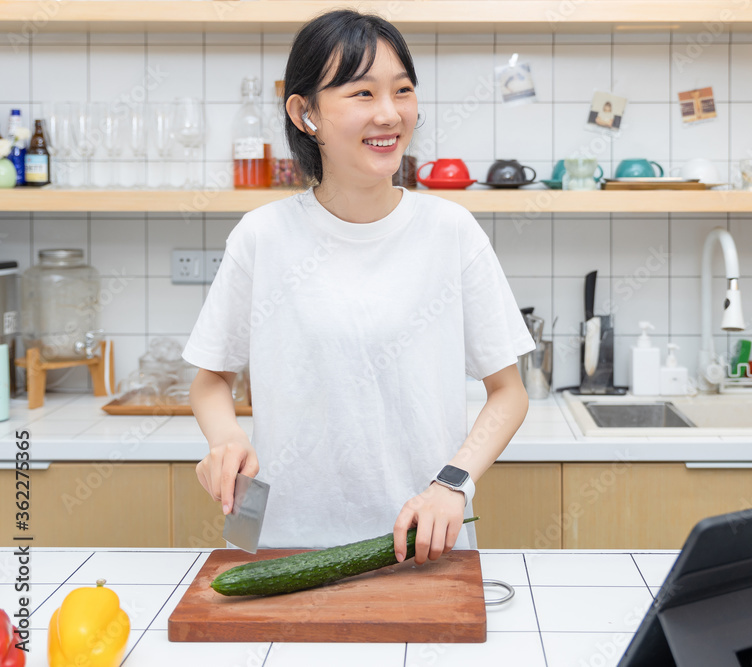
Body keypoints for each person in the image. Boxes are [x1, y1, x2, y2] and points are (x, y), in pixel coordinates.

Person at [184, 9, 534, 565]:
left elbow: (509, 391)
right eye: (362, 94)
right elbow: (209, 382)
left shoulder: (451, 232)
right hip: (285, 548)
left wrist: (453, 483)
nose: (390, 114)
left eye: (402, 90)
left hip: (424, 546)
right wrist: (225, 439)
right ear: (305, 113)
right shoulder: (262, 236)